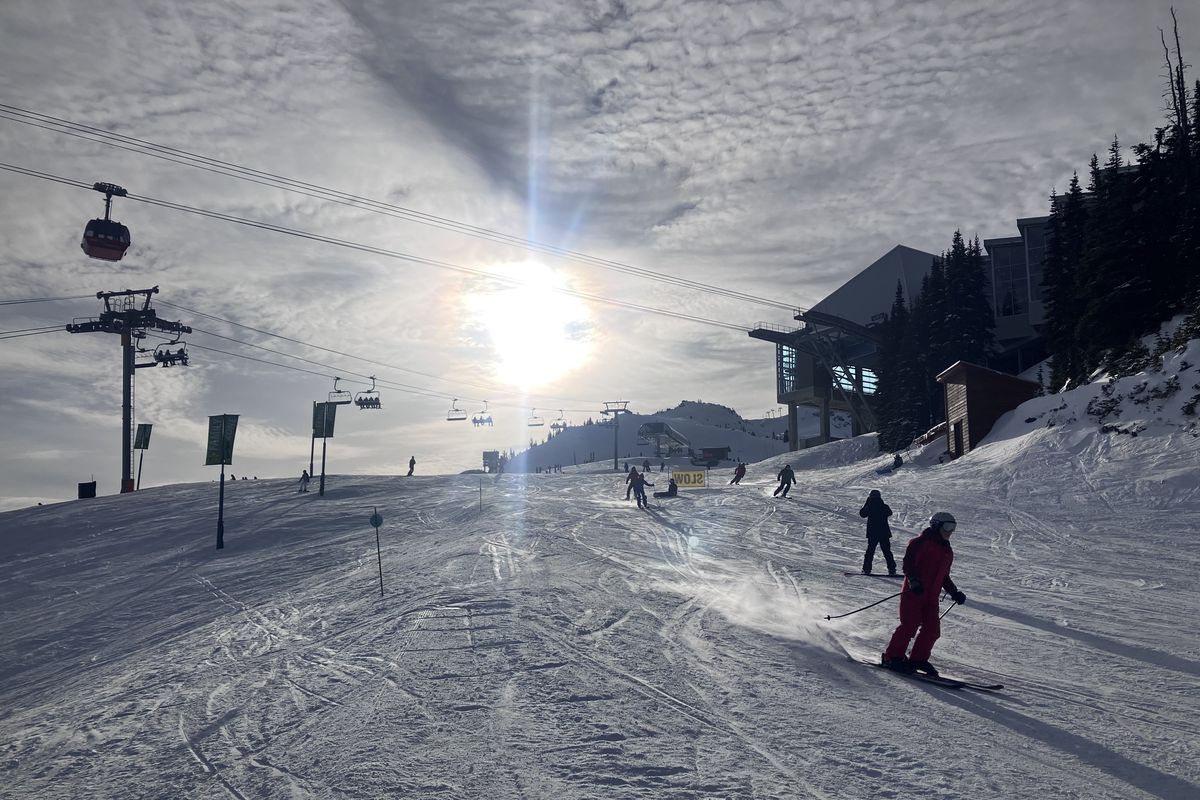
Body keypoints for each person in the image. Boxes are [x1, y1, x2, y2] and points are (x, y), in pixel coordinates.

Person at [881, 512, 967, 676]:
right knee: (909, 625)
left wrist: (954, 592)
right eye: (948, 527)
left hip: (931, 597)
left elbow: (944, 576)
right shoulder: (920, 542)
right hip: (914, 592)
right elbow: (908, 564)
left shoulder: (947, 551)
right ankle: (892, 657)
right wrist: (913, 581)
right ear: (936, 525)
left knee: (933, 629)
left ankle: (917, 659)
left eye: (953, 528)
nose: (950, 531)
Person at [859, 490, 897, 575]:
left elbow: (862, 514)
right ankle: (892, 569)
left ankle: (866, 569)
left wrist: (867, 503)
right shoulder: (884, 506)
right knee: (887, 551)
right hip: (884, 533)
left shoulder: (869, 506)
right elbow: (889, 513)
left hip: (873, 533)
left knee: (870, 551)